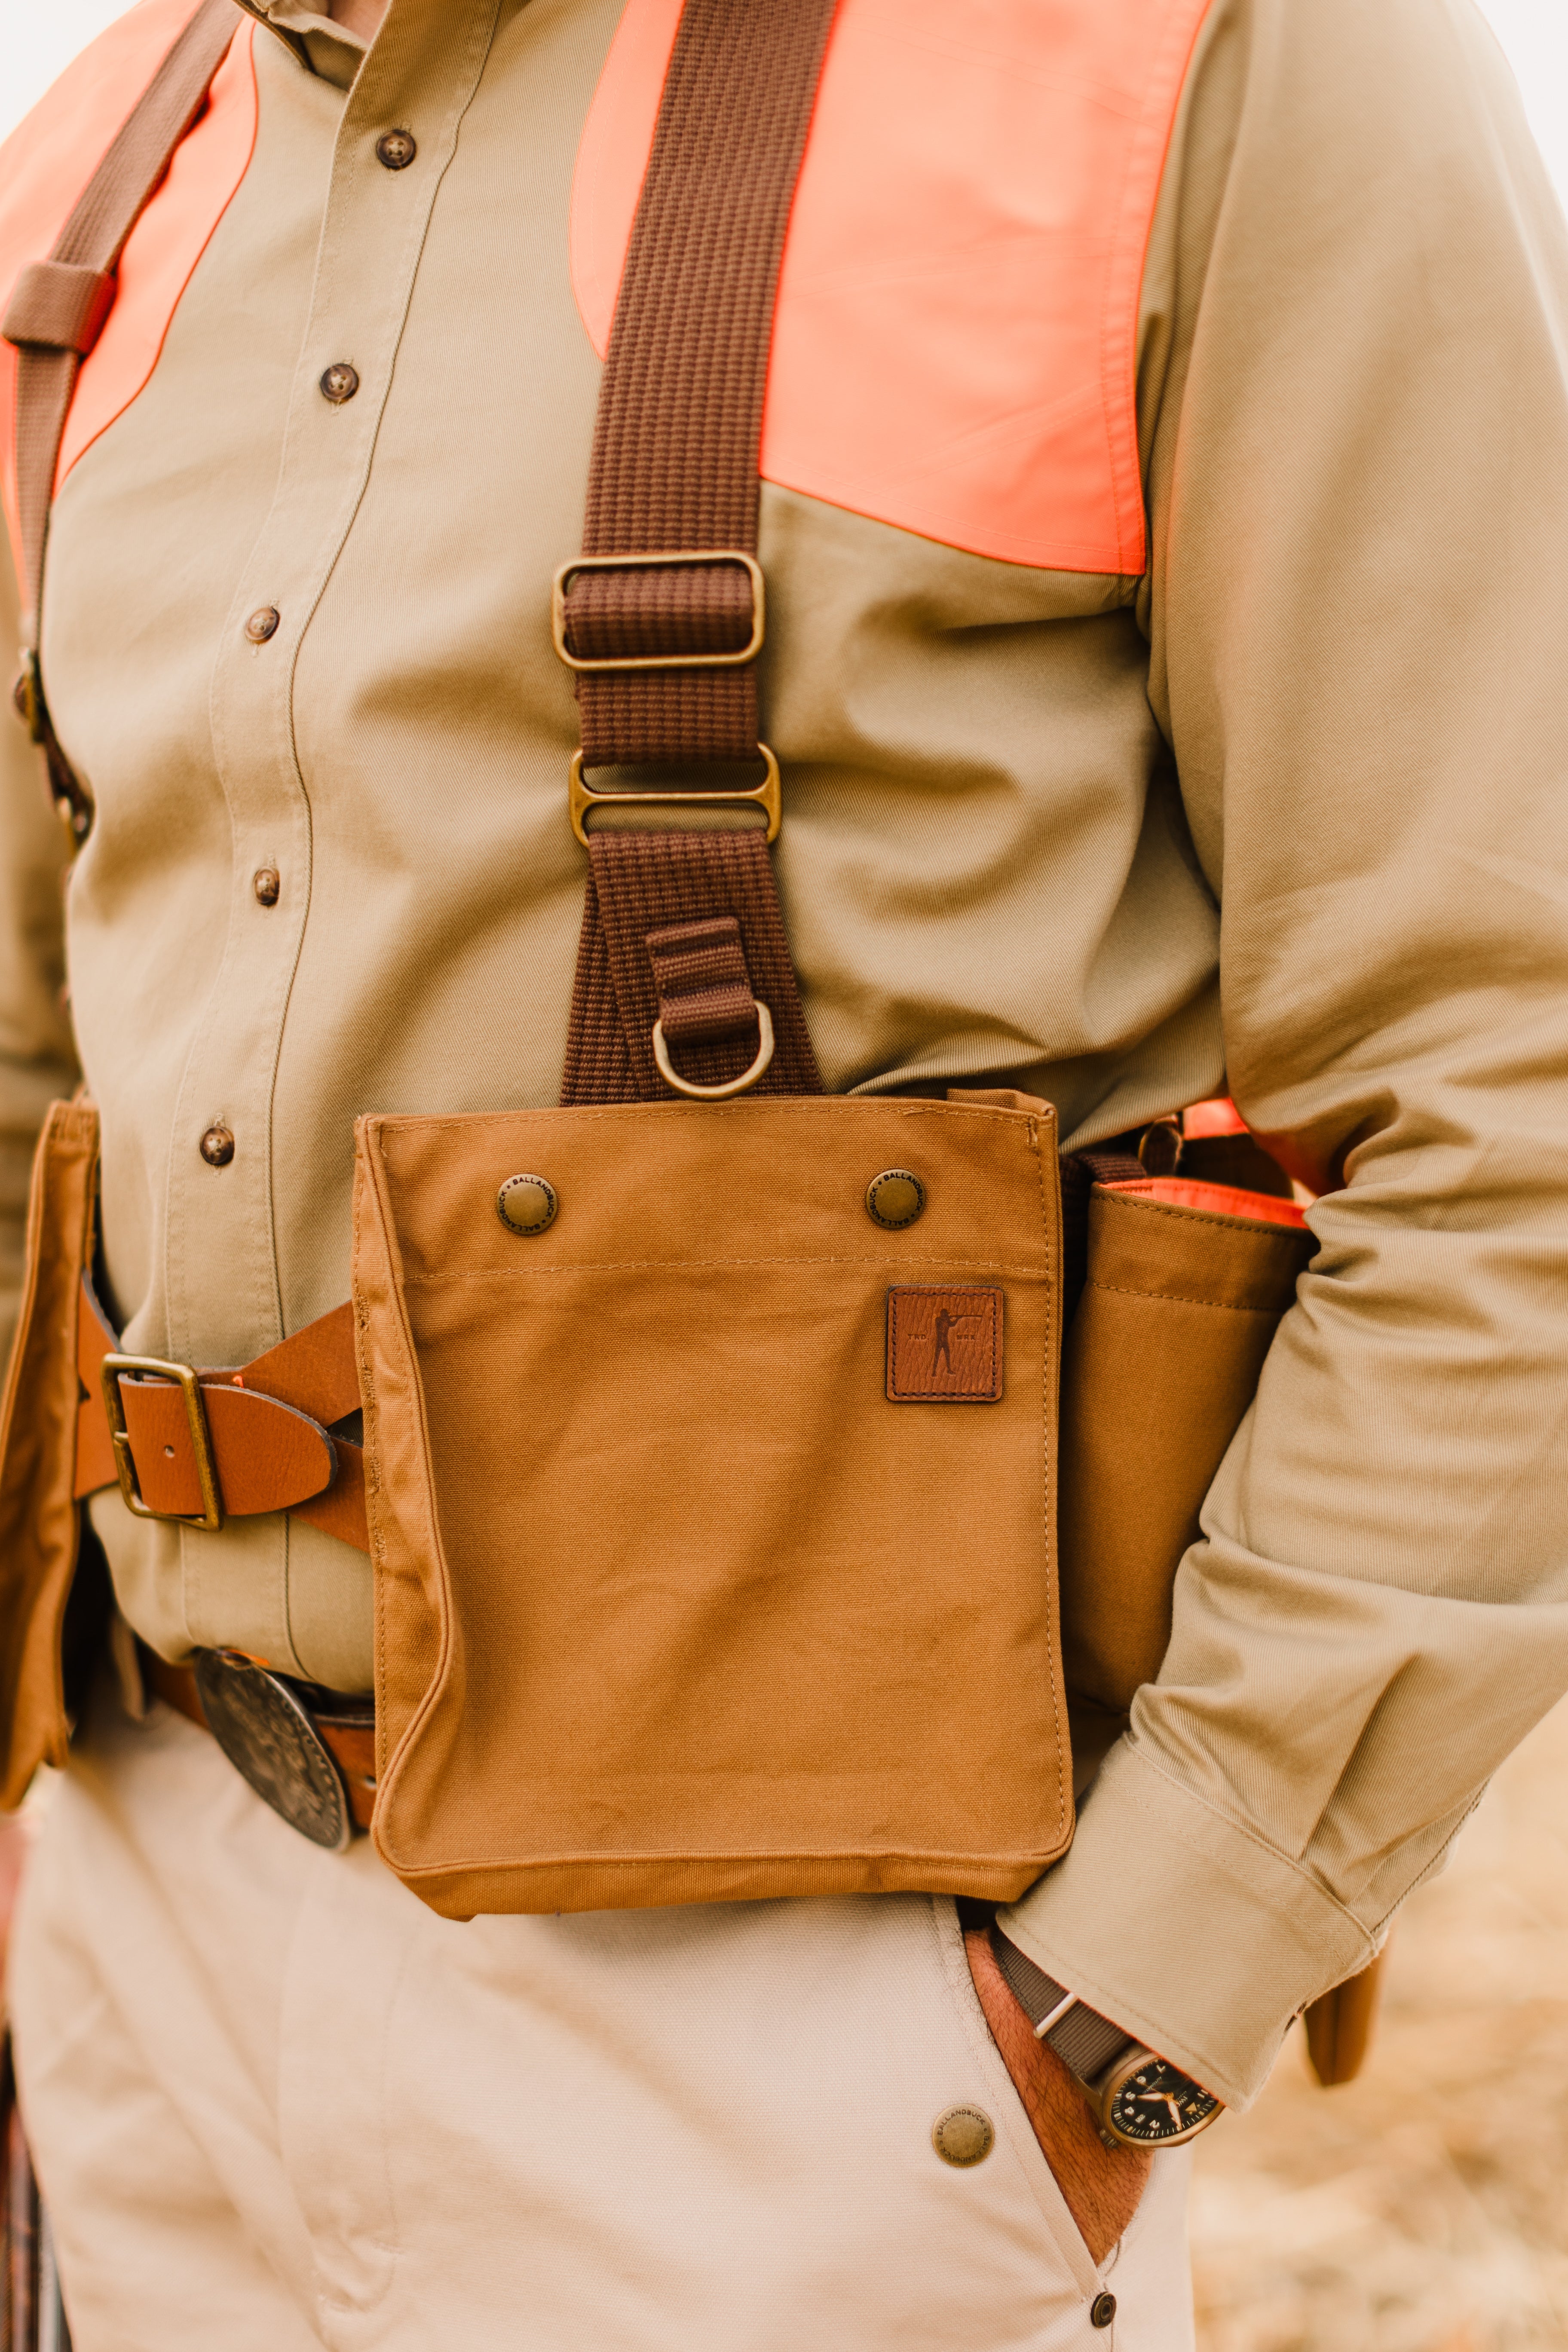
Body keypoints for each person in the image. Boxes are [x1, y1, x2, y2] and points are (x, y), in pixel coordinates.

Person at [2, 0, 1567, 2343]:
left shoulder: (1200, 50)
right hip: (147, 1947)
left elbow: (1509, 1091)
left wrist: (1129, 1999)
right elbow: (36, 1073)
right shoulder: (106, 155)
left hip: (816, 2053)